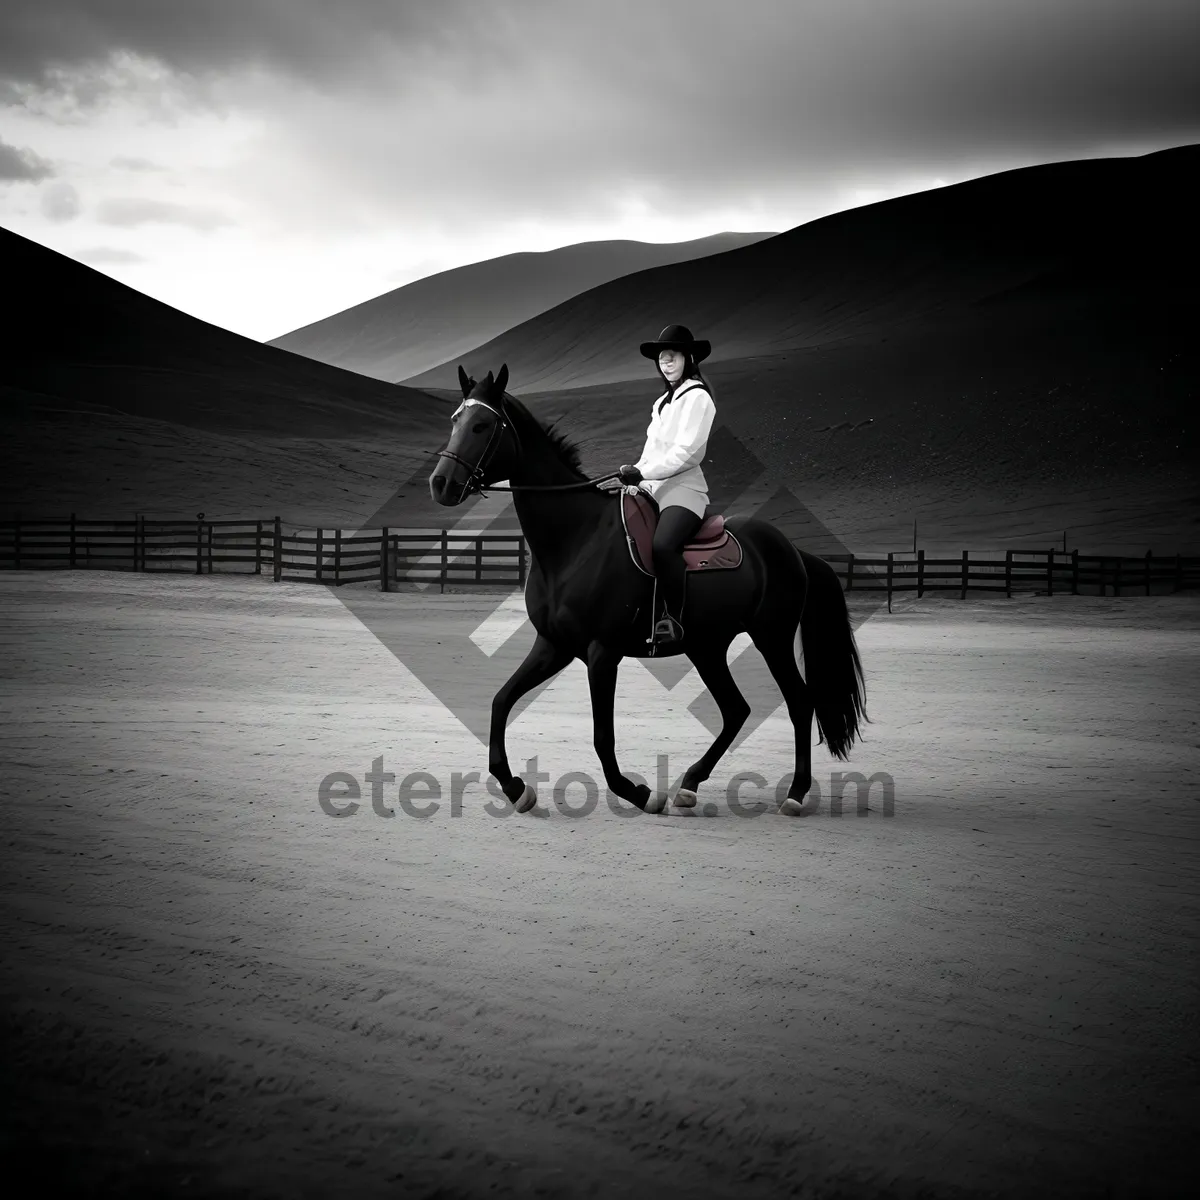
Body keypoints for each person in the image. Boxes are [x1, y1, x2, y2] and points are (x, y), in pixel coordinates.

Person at [617, 324, 717, 647]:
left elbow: (687, 453)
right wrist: (636, 478)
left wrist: (644, 473)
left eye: (673, 354)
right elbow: (652, 451)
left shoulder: (699, 397)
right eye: (662, 356)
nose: (666, 360)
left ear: (689, 358)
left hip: (684, 492)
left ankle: (673, 619)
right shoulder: (661, 403)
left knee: (662, 546)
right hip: (654, 489)